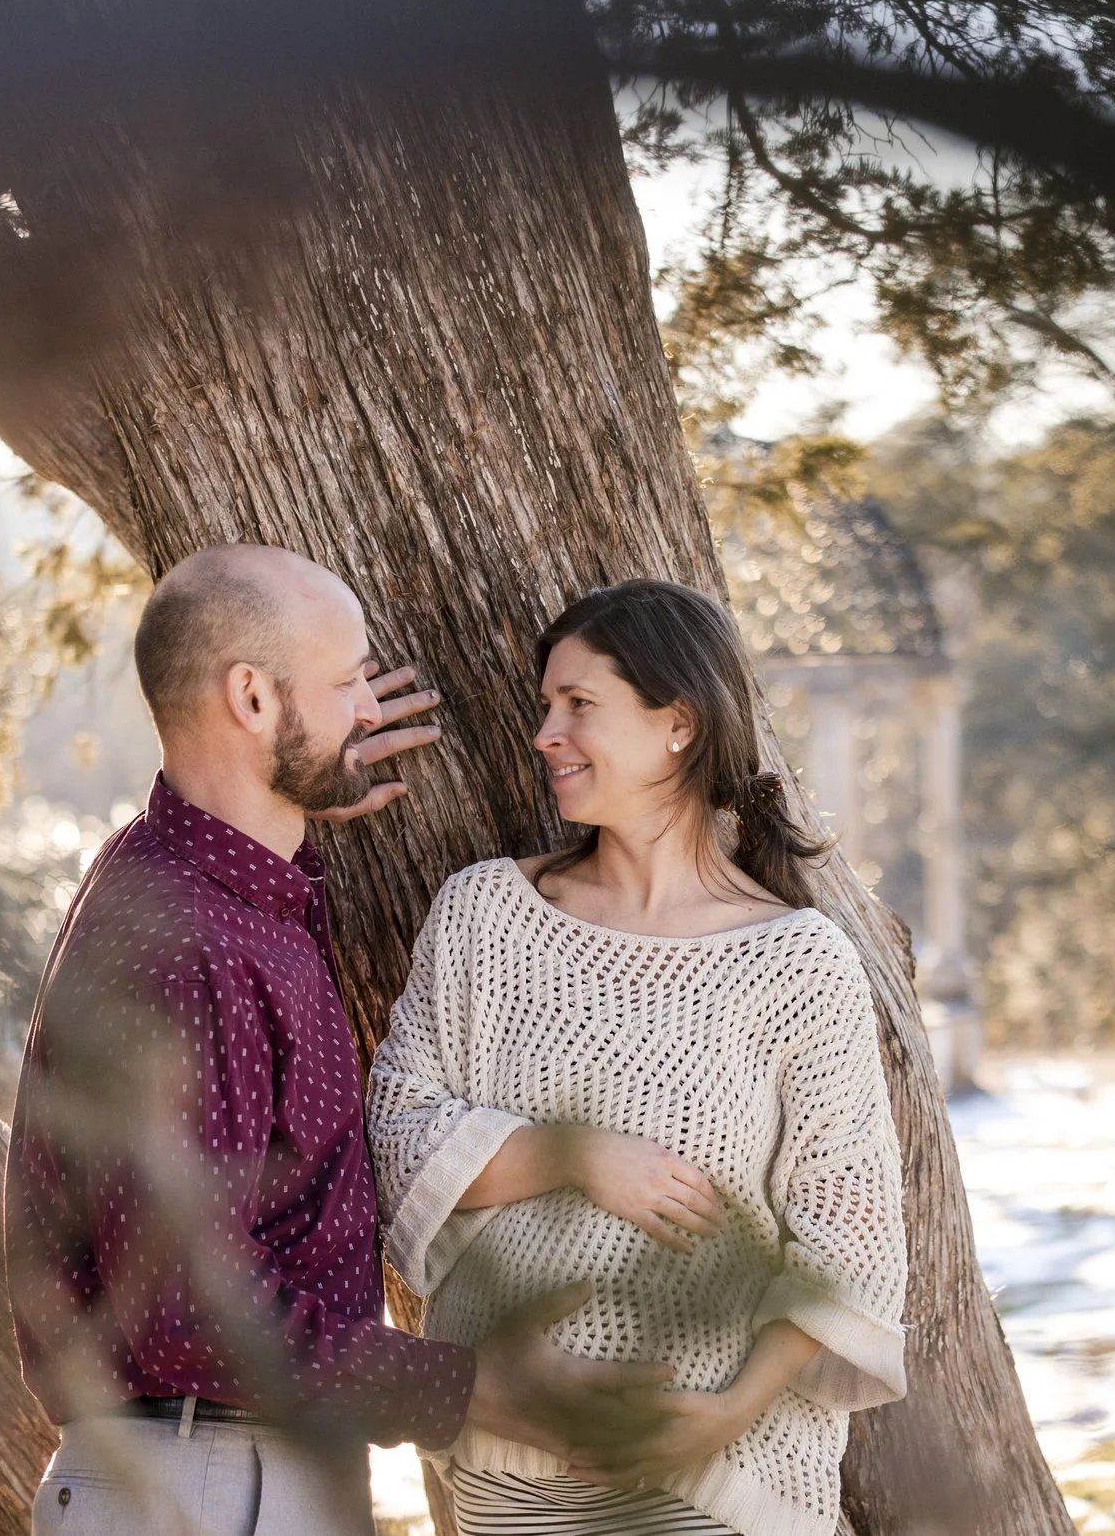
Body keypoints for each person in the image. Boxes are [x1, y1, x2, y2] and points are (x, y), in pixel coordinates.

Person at [6, 545, 679, 1536]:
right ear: (251, 698)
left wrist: (304, 793)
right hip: (202, 1483)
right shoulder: (177, 943)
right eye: (346, 678)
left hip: (231, 1473)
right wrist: (483, 1390)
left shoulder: (210, 882)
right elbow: (191, 1307)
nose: (371, 706)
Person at [368, 578, 908, 1536]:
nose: (545, 732)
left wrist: (727, 1413)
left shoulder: (798, 962)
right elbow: (396, 1130)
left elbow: (846, 1236)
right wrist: (577, 1156)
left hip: (713, 1481)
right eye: (546, 705)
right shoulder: (484, 914)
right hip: (512, 1463)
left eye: (579, 704)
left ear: (679, 725)